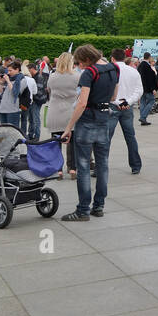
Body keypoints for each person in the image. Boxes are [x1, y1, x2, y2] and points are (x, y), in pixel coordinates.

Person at [60, 45, 119, 221]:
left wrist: (68, 127)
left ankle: (83, 210)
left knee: (84, 167)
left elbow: (82, 103)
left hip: (87, 122)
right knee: (102, 165)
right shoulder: (113, 68)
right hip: (104, 120)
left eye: (80, 62)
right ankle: (99, 206)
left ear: (86, 59)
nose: (80, 66)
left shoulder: (89, 73)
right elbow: (114, 97)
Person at [47, 52, 82, 179]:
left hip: (55, 110)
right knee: (72, 142)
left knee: (55, 142)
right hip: (71, 110)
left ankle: (58, 170)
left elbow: (49, 90)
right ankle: (72, 168)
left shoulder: (52, 76)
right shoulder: (77, 76)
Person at [113, 51, 144, 174]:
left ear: (113, 58)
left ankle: (100, 167)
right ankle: (136, 165)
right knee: (130, 137)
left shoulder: (111, 70)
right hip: (127, 106)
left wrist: (117, 102)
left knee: (106, 139)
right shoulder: (133, 71)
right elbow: (139, 90)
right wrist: (128, 102)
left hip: (114, 105)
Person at [137, 53, 158, 125]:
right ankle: (143, 117)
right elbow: (149, 79)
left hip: (141, 87)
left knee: (143, 102)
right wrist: (153, 88)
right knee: (151, 101)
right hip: (148, 88)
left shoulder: (140, 65)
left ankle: (143, 118)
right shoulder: (147, 66)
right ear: (149, 57)